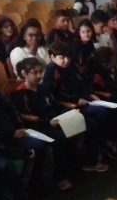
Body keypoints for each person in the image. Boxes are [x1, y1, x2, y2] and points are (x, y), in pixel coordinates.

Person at [0, 61, 48, 188]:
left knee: (41, 142)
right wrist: (12, 133)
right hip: (1, 139)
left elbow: (12, 111)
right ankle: (26, 184)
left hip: (14, 132)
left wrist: (19, 127)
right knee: (36, 146)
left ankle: (34, 181)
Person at [42, 41, 111, 172]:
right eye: (61, 57)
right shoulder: (52, 71)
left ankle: (98, 149)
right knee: (95, 120)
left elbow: (81, 84)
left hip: (80, 102)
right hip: (66, 107)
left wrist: (89, 94)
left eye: (68, 57)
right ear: (52, 57)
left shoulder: (70, 67)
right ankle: (90, 157)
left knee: (103, 113)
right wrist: (75, 100)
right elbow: (54, 96)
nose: (66, 60)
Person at [12, 58, 73, 191]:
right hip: (36, 127)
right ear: (24, 73)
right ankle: (59, 178)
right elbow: (23, 115)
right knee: (60, 138)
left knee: (73, 128)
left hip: (52, 121)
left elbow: (53, 104)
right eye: (35, 73)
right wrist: (46, 122)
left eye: (41, 72)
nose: (39, 76)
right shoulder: (21, 94)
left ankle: (70, 169)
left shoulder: (43, 88)